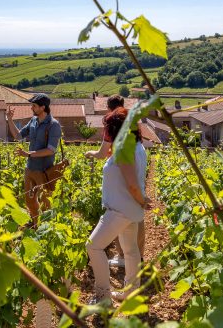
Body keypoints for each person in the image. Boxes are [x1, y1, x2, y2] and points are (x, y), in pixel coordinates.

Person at [86, 107, 150, 302]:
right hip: (130, 210)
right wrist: (140, 202)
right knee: (131, 250)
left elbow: (131, 183)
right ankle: (130, 292)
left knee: (93, 247)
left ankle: (103, 297)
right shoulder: (138, 146)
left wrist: (143, 200)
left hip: (119, 210)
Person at [7, 94, 62, 224]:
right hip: (30, 168)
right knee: (29, 200)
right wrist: (9, 119)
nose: (32, 108)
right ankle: (36, 224)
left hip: (44, 171)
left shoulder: (53, 125)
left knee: (46, 203)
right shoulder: (33, 121)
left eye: (34, 106)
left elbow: (50, 150)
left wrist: (29, 154)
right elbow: (18, 136)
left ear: (43, 107)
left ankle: (47, 228)